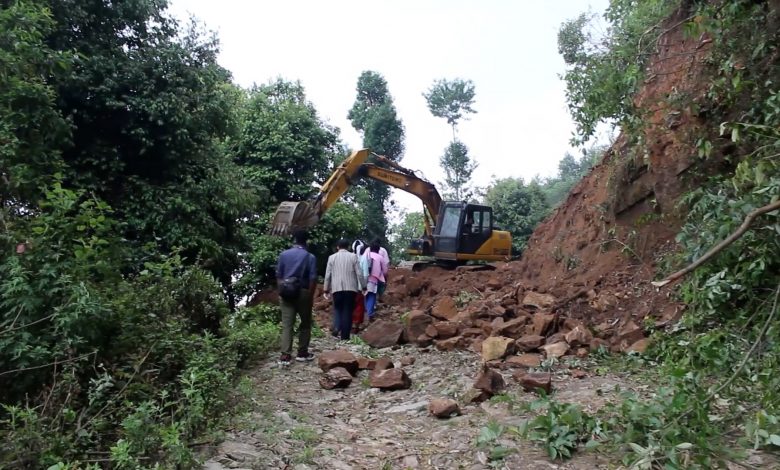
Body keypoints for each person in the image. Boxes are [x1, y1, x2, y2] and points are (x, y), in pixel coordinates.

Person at [276, 230, 317, 367]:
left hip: (286, 292)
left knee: (287, 324)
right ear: (306, 242)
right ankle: (302, 352)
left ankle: (285, 355)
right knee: (305, 324)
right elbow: (312, 279)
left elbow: (279, 276)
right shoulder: (310, 257)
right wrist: (310, 296)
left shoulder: (283, 255)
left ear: (294, 240)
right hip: (303, 292)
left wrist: (281, 290)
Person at [323, 238, 365, 340]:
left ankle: (337, 327)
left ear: (337, 247)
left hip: (336, 288)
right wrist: (364, 286)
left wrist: (326, 289)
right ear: (349, 247)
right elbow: (359, 273)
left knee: (337, 308)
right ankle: (345, 336)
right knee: (347, 310)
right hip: (351, 288)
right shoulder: (353, 256)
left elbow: (328, 274)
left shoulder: (332, 258)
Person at [364, 240, 389, 321]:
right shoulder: (380, 257)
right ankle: (369, 313)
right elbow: (385, 271)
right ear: (378, 250)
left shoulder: (365, 256)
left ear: (370, 248)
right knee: (372, 295)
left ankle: (364, 310)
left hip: (363, 279)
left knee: (364, 294)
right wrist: (384, 278)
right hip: (374, 279)